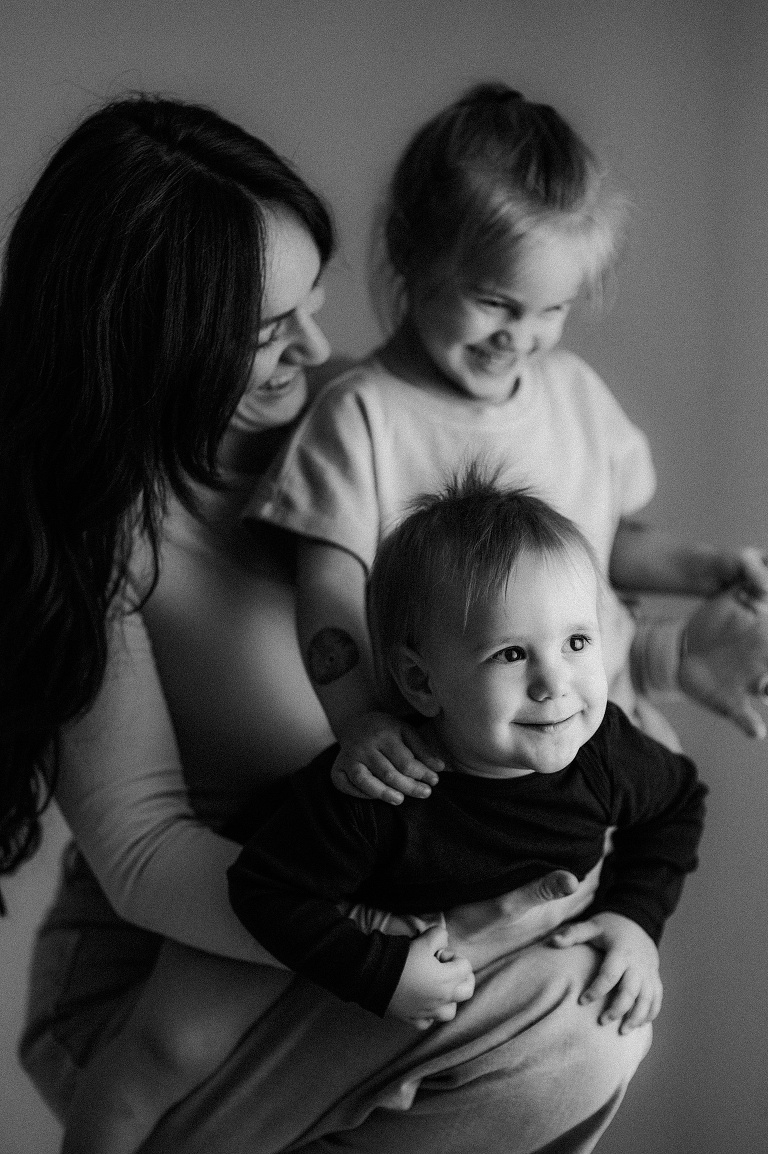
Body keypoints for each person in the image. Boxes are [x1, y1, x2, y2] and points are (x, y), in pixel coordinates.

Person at [11, 87, 768, 1154]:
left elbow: (513, 650)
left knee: (584, 1017)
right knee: (565, 1026)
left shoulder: (386, 414)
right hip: (205, 952)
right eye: (267, 330)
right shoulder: (98, 537)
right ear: (149, 338)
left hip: (407, 887)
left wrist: (673, 658)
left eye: (314, 304)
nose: (318, 344)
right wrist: (389, 934)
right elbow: (143, 853)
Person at [59, 472, 707, 1154]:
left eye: (577, 642)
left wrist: (635, 917)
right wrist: (379, 971)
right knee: (169, 1050)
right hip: (321, 896)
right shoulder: (383, 791)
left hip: (463, 936)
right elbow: (262, 891)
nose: (555, 684)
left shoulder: (606, 754)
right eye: (512, 654)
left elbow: (676, 805)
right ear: (422, 683)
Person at [250, 82, 768, 807]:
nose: (518, 338)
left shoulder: (575, 394)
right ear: (408, 251)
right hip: (467, 778)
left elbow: (606, 539)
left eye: (551, 310)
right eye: (493, 302)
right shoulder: (360, 418)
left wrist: (711, 570)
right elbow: (330, 594)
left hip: (604, 744)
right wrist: (360, 721)